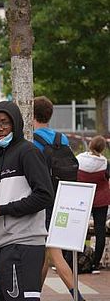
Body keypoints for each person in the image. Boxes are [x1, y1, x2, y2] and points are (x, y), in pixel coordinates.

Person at [0, 100, 53, 301]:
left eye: (4, 123)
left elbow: (44, 195)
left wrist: (1, 210)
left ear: (15, 124)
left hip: (23, 246)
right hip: (2, 247)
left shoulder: (28, 152)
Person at [33, 96, 85, 300]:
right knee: (45, 255)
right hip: (63, 200)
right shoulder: (61, 138)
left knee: (54, 253)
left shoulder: (33, 141)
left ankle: (78, 296)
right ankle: (34, 294)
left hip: (43, 203)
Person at [77, 135, 110, 274]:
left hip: (83, 197)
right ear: (103, 148)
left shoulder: (79, 160)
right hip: (101, 199)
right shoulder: (105, 164)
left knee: (80, 228)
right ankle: (95, 263)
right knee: (100, 229)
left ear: (90, 145)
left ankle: (77, 259)